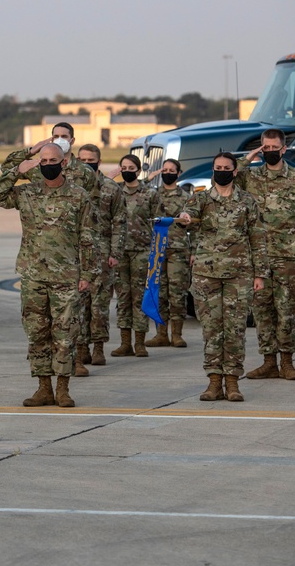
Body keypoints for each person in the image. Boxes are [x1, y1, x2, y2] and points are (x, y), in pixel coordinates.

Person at [0, 143, 96, 407]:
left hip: (67, 275)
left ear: (64, 162)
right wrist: (16, 169)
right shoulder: (27, 193)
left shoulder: (78, 195)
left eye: (53, 159)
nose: (48, 164)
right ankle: (43, 388)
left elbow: (88, 237)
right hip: (33, 274)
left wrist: (88, 274)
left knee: (65, 333)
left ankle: (62, 389)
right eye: (43, 159)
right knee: (37, 333)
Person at [177, 152, 267, 402]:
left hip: (239, 275)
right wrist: (184, 220)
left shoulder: (247, 201)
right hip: (207, 275)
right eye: (218, 167)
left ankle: (233, 382)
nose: (222, 171)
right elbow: (187, 217)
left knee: (236, 329)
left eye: (226, 167)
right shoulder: (202, 199)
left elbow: (258, 238)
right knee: (211, 330)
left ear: (235, 171)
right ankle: (214, 382)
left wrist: (260, 274)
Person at [234, 130, 295, 381]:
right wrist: (249, 157)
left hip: (287, 256)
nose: (269, 151)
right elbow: (228, 177)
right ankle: (269, 362)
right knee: (262, 312)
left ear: (284, 149)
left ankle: (287, 362)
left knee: (287, 311)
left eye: (273, 147)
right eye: (264, 147)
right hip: (258, 258)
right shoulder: (251, 176)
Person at [74, 144, 123, 369]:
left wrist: (115, 252)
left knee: (100, 305)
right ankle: (81, 348)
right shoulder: (71, 187)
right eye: (82, 159)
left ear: (99, 162)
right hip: (77, 253)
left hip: (102, 252)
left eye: (90, 159)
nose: (86, 163)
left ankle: (98, 347)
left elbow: (119, 223)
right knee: (79, 304)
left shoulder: (111, 188)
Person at [111, 154, 161, 358]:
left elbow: (158, 223)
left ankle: (140, 342)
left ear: (139, 171)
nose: (126, 170)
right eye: (123, 167)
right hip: (119, 252)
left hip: (142, 251)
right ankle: (125, 343)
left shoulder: (150, 194)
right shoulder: (115, 193)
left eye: (131, 167)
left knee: (140, 297)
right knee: (123, 297)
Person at [145, 159, 192, 349]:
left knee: (177, 293)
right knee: (160, 292)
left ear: (179, 173)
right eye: (164, 170)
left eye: (171, 170)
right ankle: (161, 333)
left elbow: (194, 227)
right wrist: (149, 179)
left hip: (178, 250)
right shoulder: (153, 195)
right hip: (157, 251)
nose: (167, 173)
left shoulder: (186, 197)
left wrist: (194, 250)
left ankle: (177, 335)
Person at [0, 122, 96, 193]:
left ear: (72, 140)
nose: (60, 140)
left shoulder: (85, 171)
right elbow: (6, 167)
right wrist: (30, 151)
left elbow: (92, 203)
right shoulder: (37, 166)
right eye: (56, 136)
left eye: (64, 136)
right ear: (52, 139)